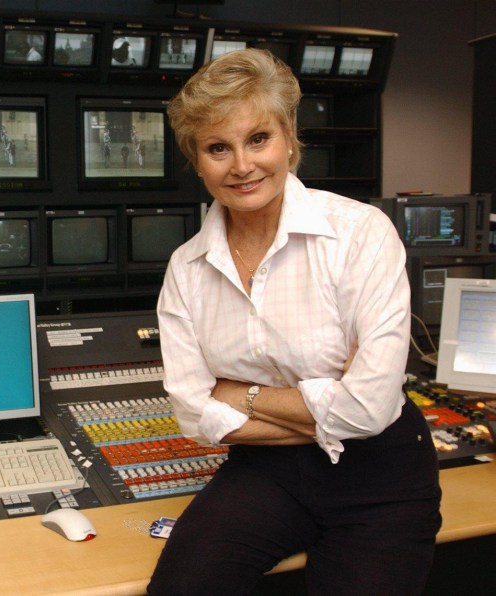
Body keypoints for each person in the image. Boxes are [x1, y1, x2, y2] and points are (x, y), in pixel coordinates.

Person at [148, 48, 441, 595]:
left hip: (381, 476)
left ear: (289, 139)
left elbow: (372, 408)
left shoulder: (359, 234)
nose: (241, 165)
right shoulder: (186, 270)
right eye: (218, 148)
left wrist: (242, 395)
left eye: (258, 139)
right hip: (265, 474)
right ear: (197, 161)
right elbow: (192, 413)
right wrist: (330, 398)